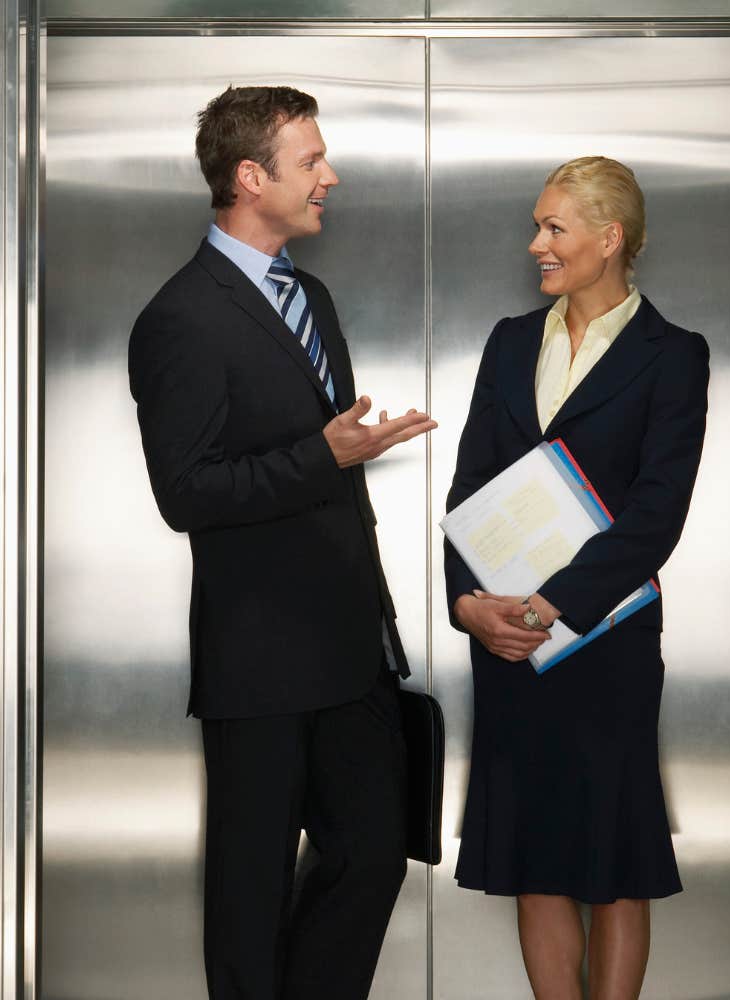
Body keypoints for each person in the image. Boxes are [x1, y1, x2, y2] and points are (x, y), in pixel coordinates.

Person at [128, 85, 436, 1000]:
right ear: (250, 176)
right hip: (258, 658)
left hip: (350, 651)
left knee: (376, 854)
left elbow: (325, 478)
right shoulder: (181, 317)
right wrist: (324, 454)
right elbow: (185, 493)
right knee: (251, 890)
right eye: (311, 162)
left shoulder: (315, 297)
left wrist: (341, 464)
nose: (328, 177)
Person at [444, 156, 709, 1000]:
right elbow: (467, 494)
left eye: (554, 228)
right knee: (536, 857)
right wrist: (467, 605)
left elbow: (657, 515)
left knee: (615, 858)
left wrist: (553, 604)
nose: (536, 245)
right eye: (538, 225)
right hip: (509, 642)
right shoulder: (511, 341)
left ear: (610, 237)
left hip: (605, 643)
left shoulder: (674, 356)